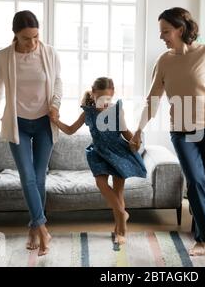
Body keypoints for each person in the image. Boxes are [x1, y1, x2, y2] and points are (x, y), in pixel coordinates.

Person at [130, 7, 205, 266]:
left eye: (166, 31)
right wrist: (139, 129)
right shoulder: (164, 61)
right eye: (161, 33)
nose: (162, 37)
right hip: (182, 131)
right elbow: (153, 100)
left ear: (180, 29)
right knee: (195, 180)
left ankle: (200, 238)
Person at [0, 10, 62, 256]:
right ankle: (43, 229)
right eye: (26, 38)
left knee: (39, 177)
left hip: (44, 123)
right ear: (15, 35)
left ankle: (34, 228)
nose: (32, 43)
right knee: (27, 176)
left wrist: (55, 104)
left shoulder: (49, 53)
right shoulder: (4, 57)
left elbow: (58, 82)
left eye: (35, 37)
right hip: (18, 124)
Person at [51, 77, 146, 245]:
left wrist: (135, 142)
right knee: (101, 184)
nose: (104, 102)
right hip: (99, 153)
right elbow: (71, 130)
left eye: (108, 99)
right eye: (101, 98)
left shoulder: (117, 111)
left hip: (118, 152)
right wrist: (56, 121)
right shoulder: (88, 112)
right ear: (93, 94)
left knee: (118, 193)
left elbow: (125, 132)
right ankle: (122, 213)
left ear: (113, 95)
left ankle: (120, 231)